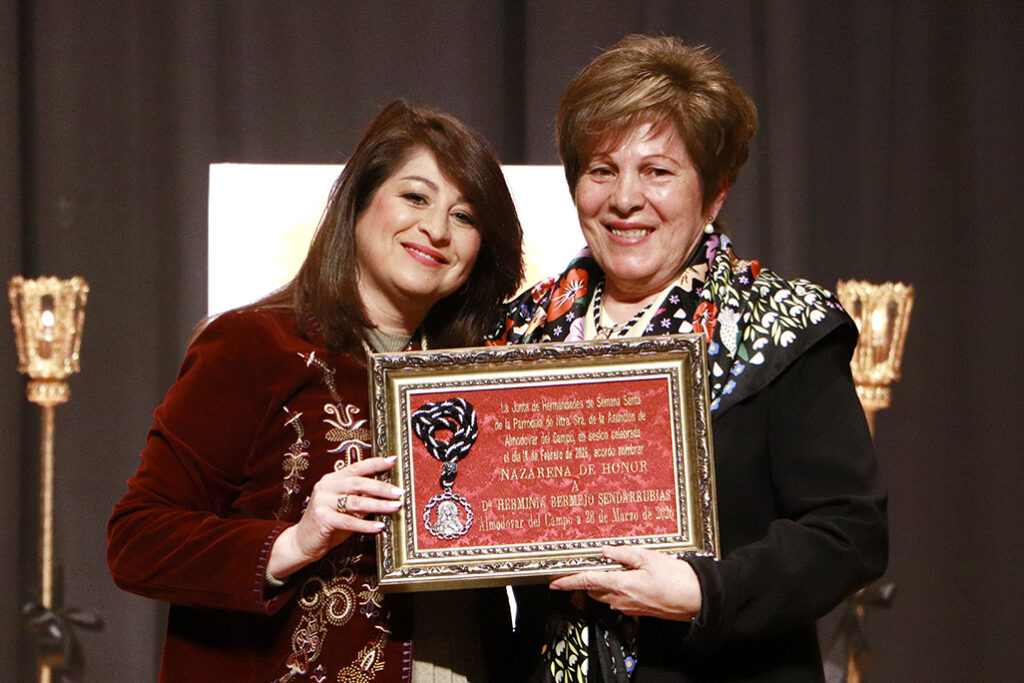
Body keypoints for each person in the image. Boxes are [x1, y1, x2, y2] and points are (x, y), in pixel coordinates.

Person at [492, 35, 888, 681]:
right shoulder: (518, 334)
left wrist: (704, 592)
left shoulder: (784, 328)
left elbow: (851, 532)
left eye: (657, 171)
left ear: (715, 194)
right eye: (601, 169)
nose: (625, 198)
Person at [107, 100, 523, 682]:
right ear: (359, 200)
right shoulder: (253, 345)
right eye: (415, 197)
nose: (436, 229)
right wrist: (294, 541)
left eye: (466, 216)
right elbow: (138, 539)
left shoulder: (487, 378)